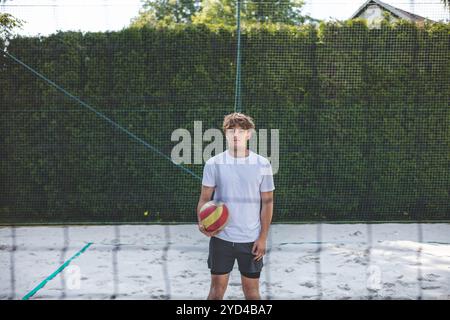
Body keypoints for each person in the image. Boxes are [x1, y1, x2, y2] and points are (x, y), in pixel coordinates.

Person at [197, 112, 275, 300]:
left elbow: (268, 203)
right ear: (225, 133)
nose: (235, 135)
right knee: (216, 290)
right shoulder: (213, 163)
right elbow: (204, 198)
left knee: (251, 291)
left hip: (251, 239)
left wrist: (263, 237)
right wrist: (202, 222)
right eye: (231, 130)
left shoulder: (262, 163)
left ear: (249, 134)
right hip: (221, 237)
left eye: (241, 131)